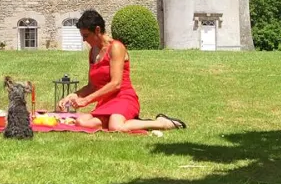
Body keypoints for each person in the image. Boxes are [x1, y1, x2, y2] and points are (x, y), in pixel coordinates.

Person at [56, 9, 186, 132]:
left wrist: (86, 100)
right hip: (106, 100)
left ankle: (161, 123)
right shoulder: (93, 52)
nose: (84, 40)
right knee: (83, 122)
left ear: (97, 30)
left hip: (124, 97)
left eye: (86, 35)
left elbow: (116, 84)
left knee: (116, 126)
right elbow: (92, 86)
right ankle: (127, 121)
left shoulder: (116, 47)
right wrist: (74, 95)